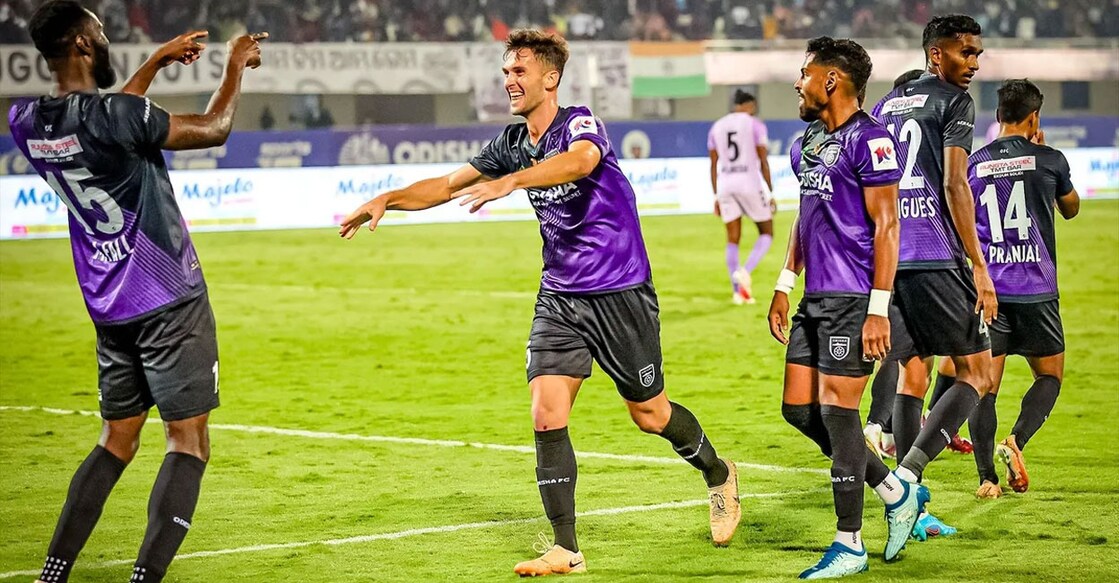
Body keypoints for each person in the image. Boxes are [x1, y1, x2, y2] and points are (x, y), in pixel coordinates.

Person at [339, 29, 740, 577]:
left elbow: (581, 162)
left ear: (550, 78)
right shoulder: (511, 142)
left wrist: (512, 183)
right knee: (546, 413)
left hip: (619, 291)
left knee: (650, 414)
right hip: (560, 296)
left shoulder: (579, 123)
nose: (509, 81)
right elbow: (447, 185)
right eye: (506, 71)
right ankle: (565, 548)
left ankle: (718, 474)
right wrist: (387, 199)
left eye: (519, 71)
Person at [9, 3, 265, 582]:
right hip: (169, 297)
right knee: (188, 442)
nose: (106, 39)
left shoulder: (25, 120)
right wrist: (234, 65)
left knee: (116, 440)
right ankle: (145, 578)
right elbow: (214, 128)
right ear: (81, 43)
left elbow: (105, 121)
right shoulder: (118, 114)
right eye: (99, 33)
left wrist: (154, 63)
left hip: (108, 304)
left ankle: (53, 572)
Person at [769, 36, 925, 579]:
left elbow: (888, 226)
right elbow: (806, 214)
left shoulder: (872, 140)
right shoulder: (807, 142)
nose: (798, 82)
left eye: (806, 73)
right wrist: (785, 280)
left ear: (831, 80)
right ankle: (896, 491)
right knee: (798, 410)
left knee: (839, 415)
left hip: (854, 299)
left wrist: (879, 309)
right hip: (814, 299)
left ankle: (850, 544)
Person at [870, 14, 995, 538]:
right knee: (978, 373)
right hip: (936, 256)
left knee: (913, 375)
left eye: (977, 53)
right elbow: (954, 184)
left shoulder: (884, 106)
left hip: (890, 258)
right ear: (936, 54)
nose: (975, 62)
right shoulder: (954, 101)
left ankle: (912, 513)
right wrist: (980, 265)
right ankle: (908, 476)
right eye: (966, 52)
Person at [967, 79, 1079, 499]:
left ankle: (986, 480)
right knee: (1049, 376)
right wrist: (1042, 158)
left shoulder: (974, 164)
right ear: (1034, 118)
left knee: (984, 388)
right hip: (1037, 290)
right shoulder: (1050, 159)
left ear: (998, 116)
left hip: (990, 292)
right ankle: (1016, 440)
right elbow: (1071, 209)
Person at [862, 68, 927, 462]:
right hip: (922, 249)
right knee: (914, 358)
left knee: (895, 348)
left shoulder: (876, 120)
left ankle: (884, 430)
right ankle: (885, 434)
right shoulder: (933, 114)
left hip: (880, 250)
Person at [707, 89, 775, 304]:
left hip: (726, 183)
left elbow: (713, 164)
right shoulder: (755, 124)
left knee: (732, 238)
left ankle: (738, 292)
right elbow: (763, 160)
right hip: (749, 181)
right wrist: (770, 192)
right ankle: (745, 271)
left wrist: (716, 195)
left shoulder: (717, 127)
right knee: (767, 232)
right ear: (749, 105)